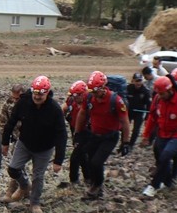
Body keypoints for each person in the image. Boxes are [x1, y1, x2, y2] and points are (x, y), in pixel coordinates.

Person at [1, 75, 68, 213]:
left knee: (38, 176)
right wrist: (5, 143)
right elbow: (11, 122)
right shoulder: (23, 102)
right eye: (35, 93)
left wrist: (58, 160)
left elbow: (61, 135)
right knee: (13, 168)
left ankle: (35, 204)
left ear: (47, 92)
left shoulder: (54, 109)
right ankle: (25, 186)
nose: (37, 96)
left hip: (44, 148)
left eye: (41, 94)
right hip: (24, 142)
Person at [74, 71, 131, 200]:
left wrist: (125, 142)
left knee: (96, 162)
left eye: (95, 92)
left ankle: (97, 187)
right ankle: (95, 181)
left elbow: (125, 122)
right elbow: (82, 114)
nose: (94, 95)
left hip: (109, 137)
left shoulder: (116, 101)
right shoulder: (89, 98)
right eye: (92, 92)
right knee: (87, 157)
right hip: (94, 135)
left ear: (103, 87)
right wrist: (77, 133)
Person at [142, 76, 177, 197]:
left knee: (166, 155)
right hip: (162, 133)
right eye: (158, 94)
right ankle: (168, 182)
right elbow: (152, 117)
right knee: (159, 155)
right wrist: (146, 135)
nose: (160, 96)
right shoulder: (157, 99)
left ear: (170, 90)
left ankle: (154, 185)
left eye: (162, 94)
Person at [59, 80, 89, 189]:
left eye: (76, 96)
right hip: (74, 130)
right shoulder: (72, 100)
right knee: (82, 155)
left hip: (86, 131)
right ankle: (88, 177)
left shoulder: (90, 102)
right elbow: (63, 108)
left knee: (76, 156)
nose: (74, 98)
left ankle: (74, 179)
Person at [0, 83, 26, 198]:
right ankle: (20, 186)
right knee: (16, 164)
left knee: (18, 165)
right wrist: (3, 141)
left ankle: (20, 187)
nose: (15, 100)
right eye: (13, 97)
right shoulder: (8, 104)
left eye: (17, 98)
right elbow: (3, 122)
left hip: (29, 139)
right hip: (16, 138)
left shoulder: (30, 103)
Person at [127, 71, 152, 149]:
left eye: (140, 81)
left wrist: (147, 117)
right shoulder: (128, 88)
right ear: (133, 81)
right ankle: (124, 143)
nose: (138, 83)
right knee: (125, 128)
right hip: (129, 111)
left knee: (136, 130)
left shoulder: (145, 91)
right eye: (137, 81)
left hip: (139, 112)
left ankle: (131, 145)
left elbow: (149, 105)